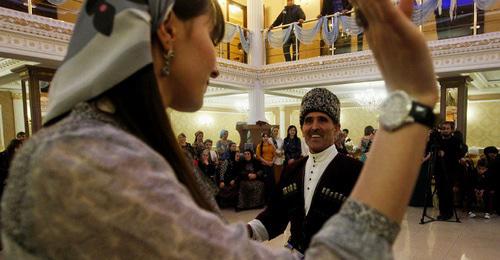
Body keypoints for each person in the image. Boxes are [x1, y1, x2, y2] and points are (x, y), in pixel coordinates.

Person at [1, 0, 440, 258]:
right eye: (211, 38)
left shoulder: (100, 148)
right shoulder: (86, 165)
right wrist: (413, 99)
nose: (215, 65)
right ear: (168, 28)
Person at [247, 88, 363, 254]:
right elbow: (275, 215)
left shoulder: (356, 171)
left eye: (322, 120)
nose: (314, 127)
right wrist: (247, 231)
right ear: (302, 128)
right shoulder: (293, 169)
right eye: (308, 121)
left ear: (336, 128)